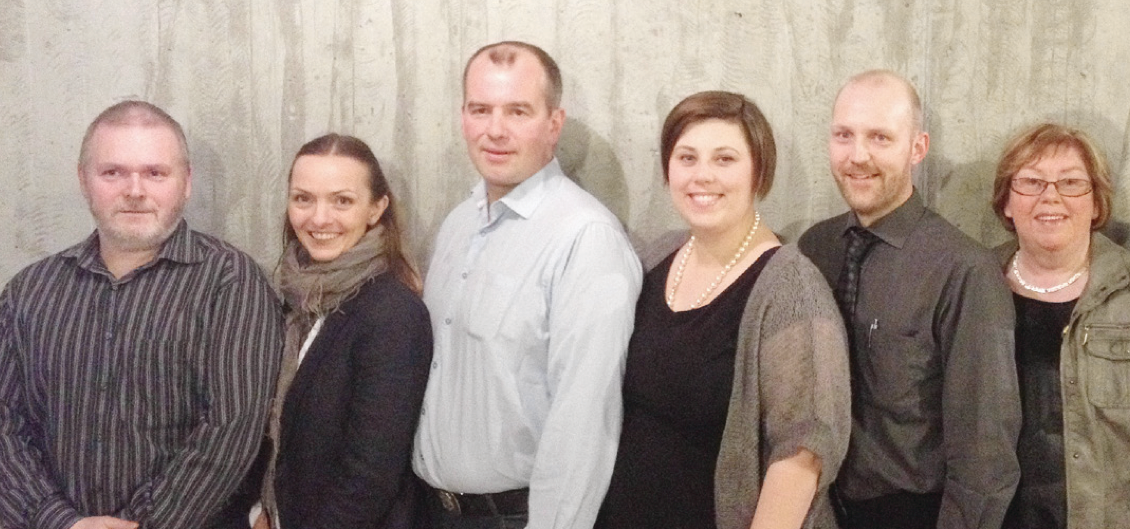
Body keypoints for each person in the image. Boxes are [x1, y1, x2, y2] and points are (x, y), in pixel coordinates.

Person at [0, 100, 283, 529]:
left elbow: (230, 428)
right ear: (83, 180)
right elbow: (5, 424)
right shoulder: (29, 292)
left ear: (186, 182)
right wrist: (59, 521)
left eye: (155, 173)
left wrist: (146, 525)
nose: (135, 190)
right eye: (113, 172)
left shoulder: (231, 282)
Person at [412, 41, 643, 528]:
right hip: (430, 511)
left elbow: (583, 422)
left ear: (554, 124)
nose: (495, 130)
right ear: (463, 117)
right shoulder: (457, 223)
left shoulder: (586, 239)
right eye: (481, 109)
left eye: (518, 111)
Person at [596, 91, 851, 529]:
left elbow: (802, 454)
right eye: (687, 158)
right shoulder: (658, 258)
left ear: (759, 172)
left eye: (725, 159)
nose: (702, 175)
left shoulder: (791, 289)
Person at [797, 70, 1021, 529]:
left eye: (880, 137)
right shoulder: (814, 248)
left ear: (918, 148)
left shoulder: (964, 270)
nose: (858, 156)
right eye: (844, 135)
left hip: (912, 514)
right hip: (815, 508)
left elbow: (985, 451)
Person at [241, 133, 432, 529]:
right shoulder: (295, 299)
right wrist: (263, 510)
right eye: (303, 199)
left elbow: (369, 477)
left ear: (376, 209)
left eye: (342, 201)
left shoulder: (392, 314)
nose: (319, 218)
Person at [990, 123, 1130, 529]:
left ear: (1097, 203)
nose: (1050, 196)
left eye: (1071, 182)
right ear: (1007, 203)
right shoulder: (973, 288)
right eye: (1031, 182)